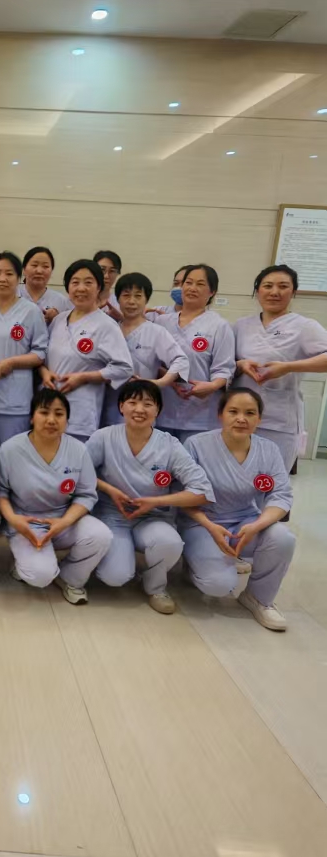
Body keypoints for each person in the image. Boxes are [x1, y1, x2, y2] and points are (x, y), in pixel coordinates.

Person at [86, 380, 212, 614]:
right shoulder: (103, 437)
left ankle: (156, 586)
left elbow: (202, 491)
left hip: (153, 517)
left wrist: (155, 502)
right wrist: (109, 489)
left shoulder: (169, 445)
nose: (139, 409)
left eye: (147, 404)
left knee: (169, 542)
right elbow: (78, 473)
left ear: (158, 410)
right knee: (115, 576)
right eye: (132, 402)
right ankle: (123, 561)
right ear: (121, 406)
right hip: (113, 516)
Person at [182, 388, 296, 631]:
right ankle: (193, 564)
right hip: (203, 524)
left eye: (250, 413)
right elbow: (182, 496)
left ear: (259, 419)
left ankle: (259, 598)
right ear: (220, 414)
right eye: (233, 411)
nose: (241, 419)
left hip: (246, 522)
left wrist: (257, 525)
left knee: (282, 538)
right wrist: (210, 526)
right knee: (219, 585)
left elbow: (281, 495)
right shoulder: (196, 445)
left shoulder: (269, 450)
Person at [0, 388, 112, 603]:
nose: (51, 420)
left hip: (64, 519)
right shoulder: (10, 450)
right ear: (32, 417)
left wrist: (63, 522)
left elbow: (86, 494)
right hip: (26, 521)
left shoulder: (78, 450)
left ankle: (70, 578)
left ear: (67, 420)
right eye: (44, 412)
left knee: (101, 535)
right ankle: (26, 565)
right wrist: (13, 519)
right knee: (40, 576)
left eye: (59, 414)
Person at [233, 264, 327, 471]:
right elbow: (224, 363)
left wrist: (288, 367)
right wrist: (240, 364)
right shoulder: (241, 325)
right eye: (268, 286)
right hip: (238, 418)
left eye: (283, 286)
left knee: (270, 481)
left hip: (278, 421)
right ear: (258, 290)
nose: (274, 292)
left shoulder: (304, 326)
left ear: (293, 292)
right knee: (234, 479)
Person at [41, 259, 133, 441]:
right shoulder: (59, 320)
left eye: (88, 282)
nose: (81, 288)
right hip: (48, 409)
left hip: (81, 414)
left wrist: (84, 377)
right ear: (68, 287)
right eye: (75, 282)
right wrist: (44, 373)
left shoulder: (106, 325)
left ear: (98, 287)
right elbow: (42, 356)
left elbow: (124, 368)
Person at [0, 251, 48, 448]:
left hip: (15, 400)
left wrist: (12, 363)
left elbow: (40, 353)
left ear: (19, 277)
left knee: (13, 454)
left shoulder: (31, 311)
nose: (2, 279)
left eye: (9, 274)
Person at [155, 264, 235, 440]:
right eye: (188, 282)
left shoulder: (219, 326)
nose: (192, 288)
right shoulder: (162, 322)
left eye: (200, 284)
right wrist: (170, 381)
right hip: (162, 412)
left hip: (200, 417)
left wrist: (211, 386)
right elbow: (152, 363)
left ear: (212, 292)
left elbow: (224, 369)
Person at [102, 271, 189, 425]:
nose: (131, 301)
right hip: (109, 408)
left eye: (138, 296)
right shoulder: (108, 330)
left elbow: (181, 361)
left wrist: (158, 383)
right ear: (118, 299)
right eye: (126, 295)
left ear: (146, 300)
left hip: (142, 411)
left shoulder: (156, 332)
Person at [19, 246, 72, 324]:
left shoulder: (62, 301)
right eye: (34, 265)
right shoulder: (11, 296)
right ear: (24, 269)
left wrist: (58, 318)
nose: (39, 271)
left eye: (45, 266)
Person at [94, 249, 123, 321]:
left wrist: (121, 319)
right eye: (102, 269)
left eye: (112, 271)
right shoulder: (80, 299)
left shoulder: (121, 304)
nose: (106, 276)